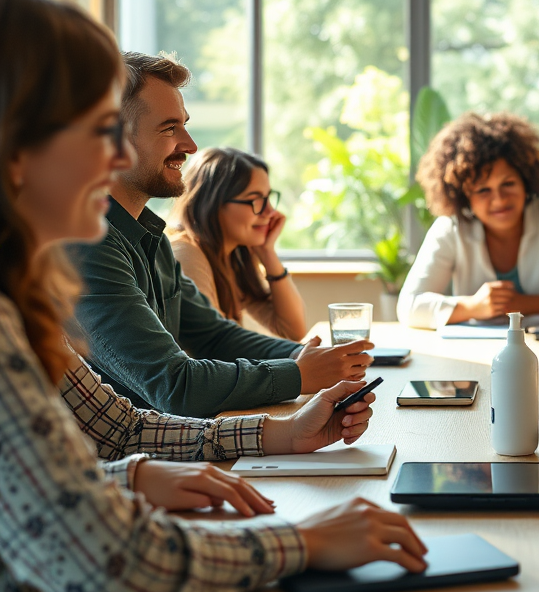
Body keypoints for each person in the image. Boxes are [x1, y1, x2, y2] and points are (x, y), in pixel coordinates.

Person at [0, 0, 426, 592]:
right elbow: (117, 567)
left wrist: (279, 434)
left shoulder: (23, 300)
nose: (117, 155)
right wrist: (305, 540)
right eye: (99, 129)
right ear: (15, 150)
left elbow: (121, 432)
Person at [70, 53, 371, 419]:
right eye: (169, 128)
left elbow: (215, 335)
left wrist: (303, 358)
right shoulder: (88, 243)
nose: (190, 145)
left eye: (185, 125)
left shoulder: (152, 239)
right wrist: (298, 373)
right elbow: (175, 385)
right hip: (126, 463)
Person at [398, 112, 539, 328]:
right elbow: (409, 308)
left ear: (525, 180)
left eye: (508, 184)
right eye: (483, 190)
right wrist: (473, 306)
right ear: (464, 196)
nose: (499, 199)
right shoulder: (451, 228)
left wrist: (525, 304)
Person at [170, 147, 306, 341]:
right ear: (213, 204)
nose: (270, 212)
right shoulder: (186, 254)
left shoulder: (234, 256)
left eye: (268, 198)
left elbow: (292, 332)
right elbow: (212, 346)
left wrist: (267, 253)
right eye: (256, 200)